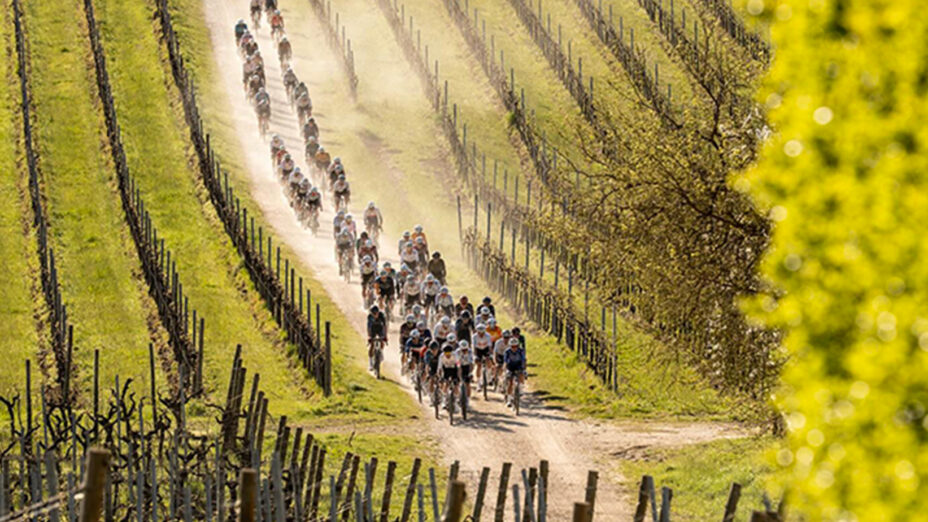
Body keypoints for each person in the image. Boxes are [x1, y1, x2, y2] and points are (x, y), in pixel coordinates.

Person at [504, 337, 527, 406]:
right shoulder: (507, 352)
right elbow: (505, 362)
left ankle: (521, 388)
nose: (514, 348)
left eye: (515, 346)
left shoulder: (521, 351)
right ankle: (509, 399)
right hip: (510, 366)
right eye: (512, 346)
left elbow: (524, 360)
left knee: (521, 375)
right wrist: (505, 370)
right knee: (510, 382)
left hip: (518, 365)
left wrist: (524, 369)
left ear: (518, 346)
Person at [471, 323, 494, 390]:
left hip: (486, 349)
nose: (480, 334)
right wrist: (475, 356)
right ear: (477, 331)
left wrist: (490, 355)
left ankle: (488, 377)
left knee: (489, 362)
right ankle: (478, 383)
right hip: (478, 350)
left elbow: (490, 346)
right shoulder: (474, 336)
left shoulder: (488, 336)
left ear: (484, 331)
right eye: (479, 333)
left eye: (482, 333)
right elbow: (474, 347)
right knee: (479, 365)